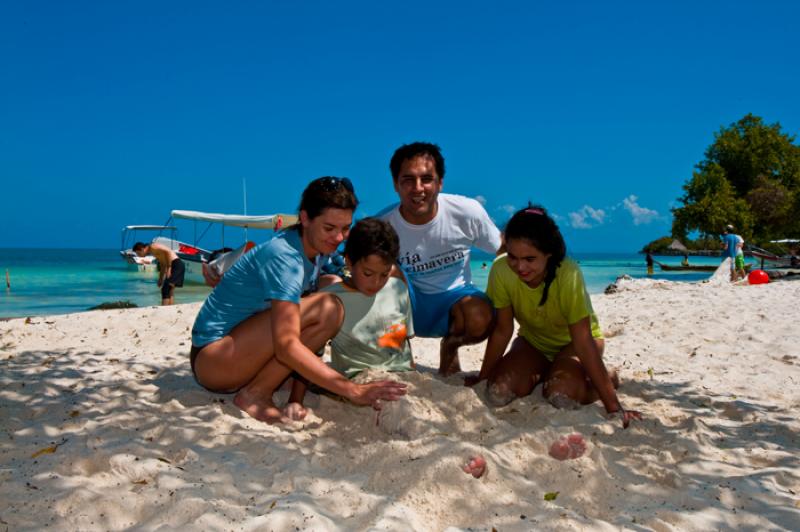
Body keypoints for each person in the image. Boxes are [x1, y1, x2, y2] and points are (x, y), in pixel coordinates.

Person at [190, 177, 407, 423]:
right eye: (329, 228)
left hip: (240, 351)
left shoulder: (315, 251)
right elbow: (286, 344)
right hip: (214, 360)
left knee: (332, 286)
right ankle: (255, 394)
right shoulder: (286, 258)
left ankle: (268, 383)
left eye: (345, 229)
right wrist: (352, 391)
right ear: (304, 218)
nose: (338, 238)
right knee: (328, 308)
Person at [467, 206, 642, 429]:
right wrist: (483, 378)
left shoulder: (568, 274)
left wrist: (614, 407)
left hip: (574, 345)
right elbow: (503, 330)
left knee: (561, 396)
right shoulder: (501, 270)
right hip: (533, 343)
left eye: (530, 259)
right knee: (498, 392)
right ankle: (542, 372)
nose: (520, 266)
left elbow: (583, 340)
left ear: (548, 254)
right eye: (512, 256)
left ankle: (608, 379)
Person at [379, 142, 502, 376]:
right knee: (384, 272)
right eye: (408, 180)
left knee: (481, 316)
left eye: (426, 179)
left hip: (455, 302)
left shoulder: (467, 212)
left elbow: (505, 252)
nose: (418, 188)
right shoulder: (384, 225)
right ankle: (396, 352)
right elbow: (353, 264)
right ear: (396, 184)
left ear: (440, 182)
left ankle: (450, 348)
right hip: (409, 306)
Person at [290, 218, 415, 411]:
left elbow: (404, 341)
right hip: (359, 379)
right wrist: (296, 400)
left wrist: (413, 372)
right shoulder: (330, 300)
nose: (376, 283)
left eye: (384, 274)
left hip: (404, 375)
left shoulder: (397, 288)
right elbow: (310, 351)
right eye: (368, 273)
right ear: (349, 262)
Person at [133, 241, 185, 305]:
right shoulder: (153, 252)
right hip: (175, 265)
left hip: (175, 264)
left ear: (142, 249)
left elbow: (168, 251)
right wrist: (160, 279)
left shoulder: (153, 246)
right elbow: (163, 265)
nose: (139, 256)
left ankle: (164, 309)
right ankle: (171, 309)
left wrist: (169, 268)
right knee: (169, 290)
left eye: (138, 253)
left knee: (166, 289)